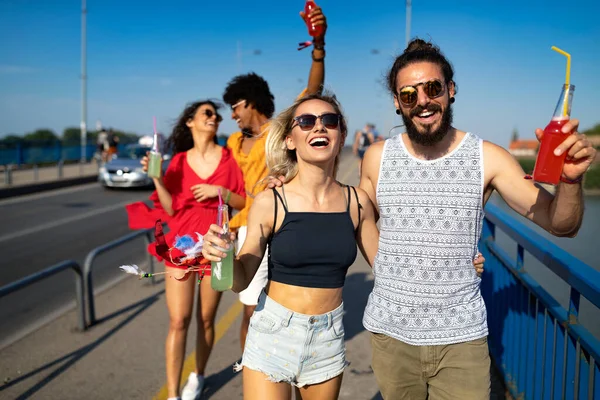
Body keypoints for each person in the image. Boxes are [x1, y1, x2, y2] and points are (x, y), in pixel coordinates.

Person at [203, 93, 486, 400]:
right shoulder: (270, 201)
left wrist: (454, 264)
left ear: (341, 137)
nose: (319, 128)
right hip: (274, 332)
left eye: (330, 121)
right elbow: (241, 279)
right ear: (289, 140)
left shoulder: (357, 202)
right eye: (307, 122)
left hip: (328, 337)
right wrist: (224, 256)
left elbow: (389, 268)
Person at [359, 38, 597, 399]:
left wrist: (571, 180)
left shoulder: (488, 158)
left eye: (433, 88)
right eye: (408, 94)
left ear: (450, 91)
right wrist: (384, 266)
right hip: (391, 337)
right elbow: (359, 216)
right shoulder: (376, 158)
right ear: (397, 102)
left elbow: (560, 223)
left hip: (461, 341)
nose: (422, 100)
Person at [222, 5, 328, 355]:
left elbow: (313, 90)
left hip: (279, 226)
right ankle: (250, 368)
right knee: (250, 311)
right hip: (243, 232)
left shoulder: (279, 130)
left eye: (236, 106)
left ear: (252, 103)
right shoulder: (232, 142)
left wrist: (318, 46)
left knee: (279, 308)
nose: (233, 114)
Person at [125, 100, 246, 400]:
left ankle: (199, 375)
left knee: (207, 319)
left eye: (217, 115)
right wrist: (156, 176)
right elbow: (168, 206)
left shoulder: (229, 159)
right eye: (207, 113)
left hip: (215, 246)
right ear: (190, 122)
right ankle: (173, 393)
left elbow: (242, 201)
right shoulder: (178, 162)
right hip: (180, 247)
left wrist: (220, 192)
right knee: (179, 320)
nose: (214, 118)